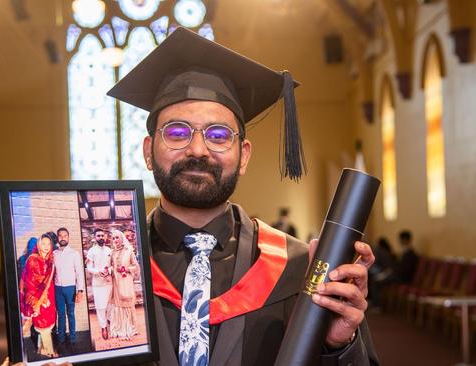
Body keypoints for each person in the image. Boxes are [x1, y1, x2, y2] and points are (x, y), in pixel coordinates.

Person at [107, 27, 378, 365]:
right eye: (177, 132)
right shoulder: (106, 264)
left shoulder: (298, 270)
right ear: (148, 152)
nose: (197, 149)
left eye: (218, 135)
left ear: (244, 155)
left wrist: (339, 347)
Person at [19, 233, 58, 358]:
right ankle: (51, 352)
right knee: (43, 325)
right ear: (38, 245)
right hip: (38, 298)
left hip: (49, 297)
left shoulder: (50, 259)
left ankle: (42, 350)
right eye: (43, 244)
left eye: (48, 244)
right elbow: (30, 283)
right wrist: (39, 300)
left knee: (47, 325)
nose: (46, 246)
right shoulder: (33, 259)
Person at [53, 227, 85, 353]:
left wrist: (80, 291)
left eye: (65, 235)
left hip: (70, 288)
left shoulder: (74, 253)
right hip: (58, 289)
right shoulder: (54, 254)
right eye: (60, 236)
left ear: (68, 237)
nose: (62, 238)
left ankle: (72, 340)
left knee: (70, 314)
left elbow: (79, 273)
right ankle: (61, 340)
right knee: (60, 315)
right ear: (57, 238)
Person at [107, 229, 141, 340]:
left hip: (126, 281)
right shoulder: (112, 252)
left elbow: (136, 267)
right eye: (113, 238)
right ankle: (119, 329)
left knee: (127, 302)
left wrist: (126, 269)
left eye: (117, 237)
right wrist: (109, 270)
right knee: (118, 305)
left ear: (121, 238)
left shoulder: (129, 250)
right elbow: (111, 266)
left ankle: (130, 328)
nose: (115, 240)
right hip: (116, 282)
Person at [85, 228, 113, 340]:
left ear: (105, 237)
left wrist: (109, 271)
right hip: (97, 284)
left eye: (102, 235)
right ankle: (103, 327)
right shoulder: (91, 251)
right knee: (100, 307)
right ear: (95, 238)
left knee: (110, 305)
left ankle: (110, 322)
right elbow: (89, 267)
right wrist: (98, 272)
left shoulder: (109, 250)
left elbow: (113, 265)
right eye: (98, 236)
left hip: (109, 282)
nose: (101, 237)